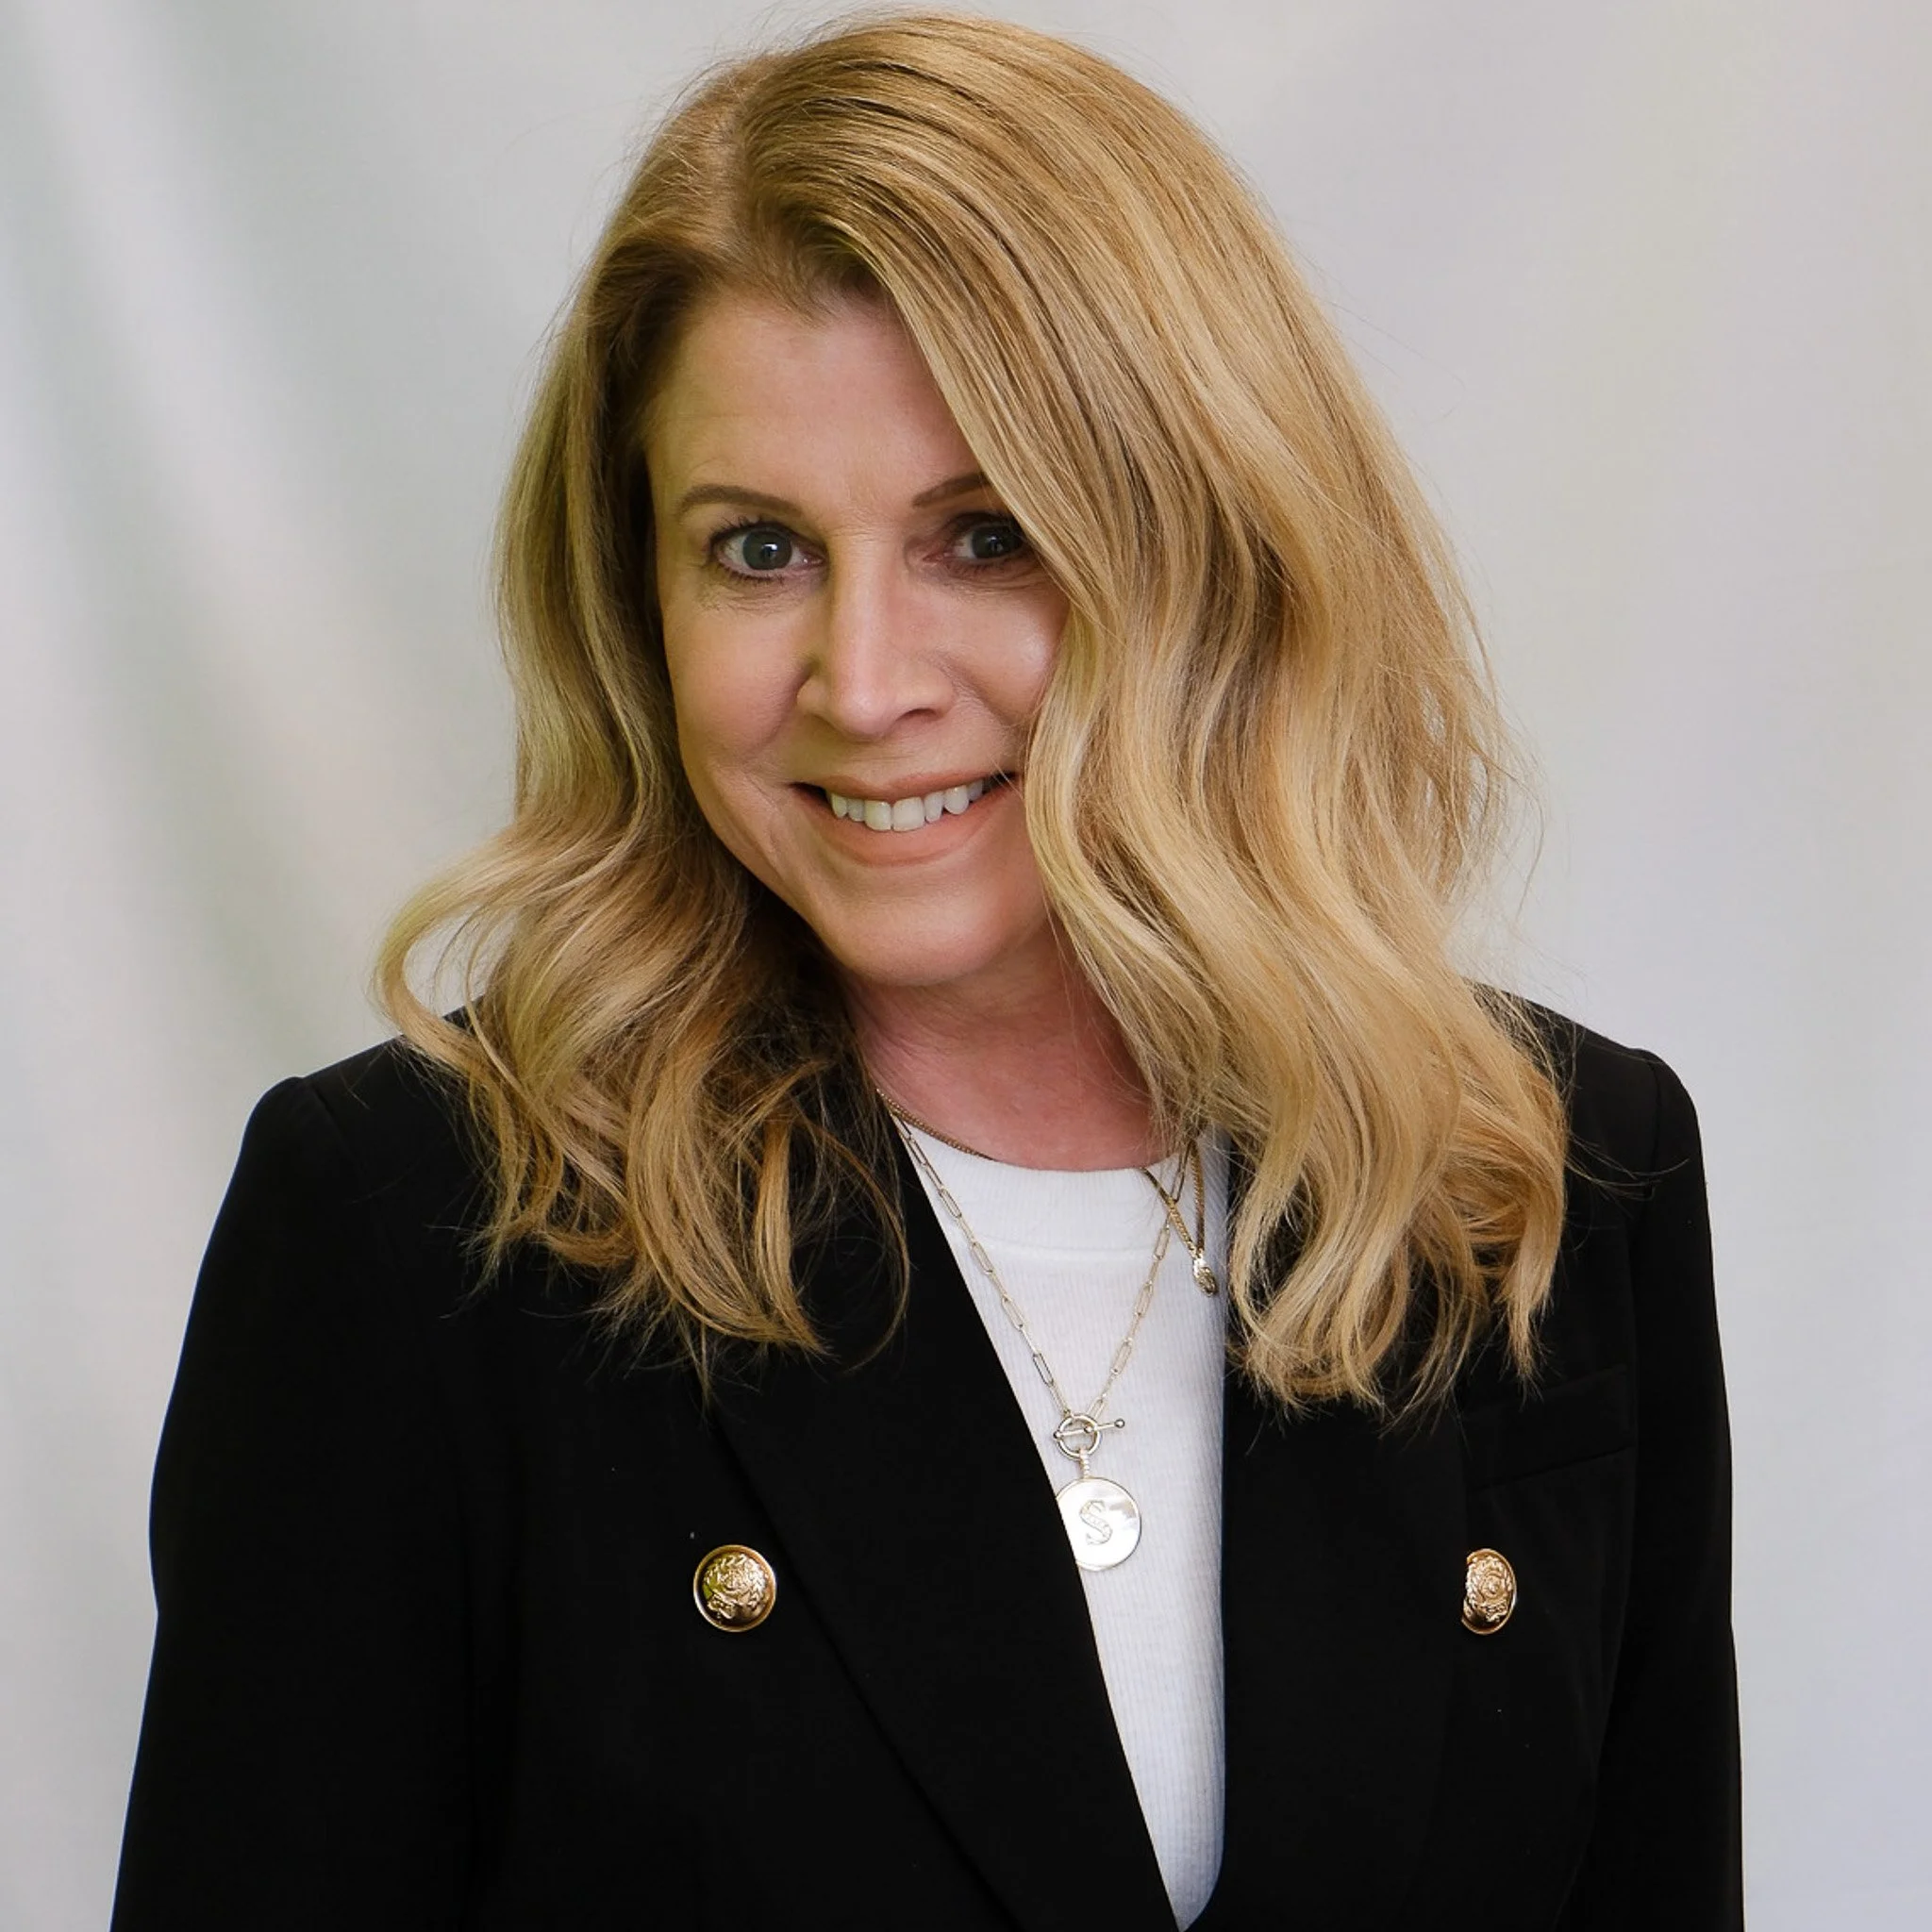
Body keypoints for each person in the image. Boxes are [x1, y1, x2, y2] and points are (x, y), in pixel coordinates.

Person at [110, 12, 1741, 1928]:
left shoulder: (1542, 1179)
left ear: (1209, 552)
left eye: (983, 536)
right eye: (758, 550)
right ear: (636, 597)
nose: (864, 682)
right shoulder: (417, 1228)